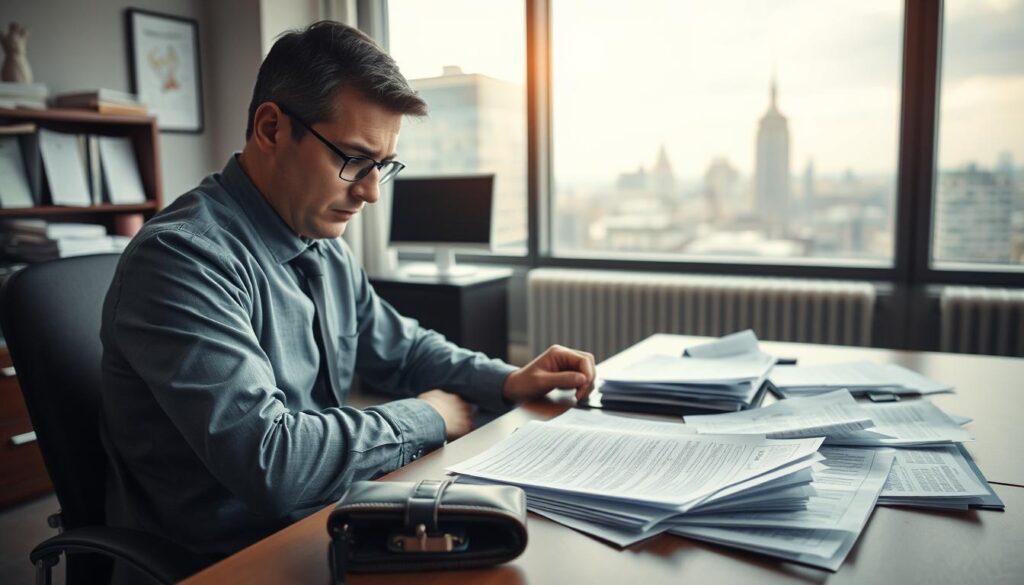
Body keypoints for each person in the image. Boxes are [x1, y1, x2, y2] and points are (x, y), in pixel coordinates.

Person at [99, 20, 596, 559]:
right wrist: (427, 415)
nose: (370, 193)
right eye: (355, 160)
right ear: (271, 129)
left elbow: (403, 349)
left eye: (382, 166)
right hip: (227, 556)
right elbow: (272, 463)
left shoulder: (320, 242)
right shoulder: (182, 259)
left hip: (327, 515)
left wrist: (507, 380)